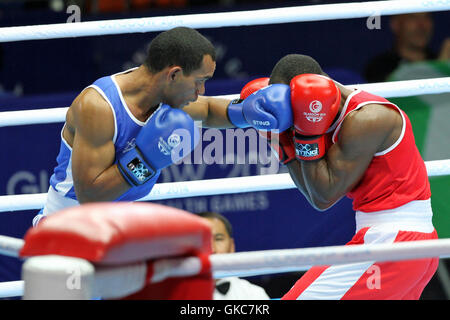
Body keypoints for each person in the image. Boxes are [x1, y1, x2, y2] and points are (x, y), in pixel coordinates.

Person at [33, 26, 293, 226]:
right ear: (174, 74)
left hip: (118, 224)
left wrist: (245, 113)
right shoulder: (99, 107)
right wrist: (145, 160)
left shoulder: (163, 95)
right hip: (67, 225)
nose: (200, 91)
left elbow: (209, 110)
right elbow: (90, 196)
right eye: (199, 81)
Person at [262, 53, 438, 300]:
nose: (292, 117)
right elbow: (315, 193)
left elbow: (324, 196)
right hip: (399, 243)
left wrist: (299, 138)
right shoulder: (324, 115)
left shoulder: (367, 118)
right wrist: (283, 144)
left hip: (394, 242)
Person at [197, 211, 271, 300]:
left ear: (231, 246)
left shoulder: (254, 294)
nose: (212, 249)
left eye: (218, 239)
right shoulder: (176, 294)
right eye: (203, 239)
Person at [364, 12, 450, 83]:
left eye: (426, 17)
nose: (422, 25)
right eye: (412, 17)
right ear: (395, 24)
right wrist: (441, 69)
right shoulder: (379, 67)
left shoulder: (440, 60)